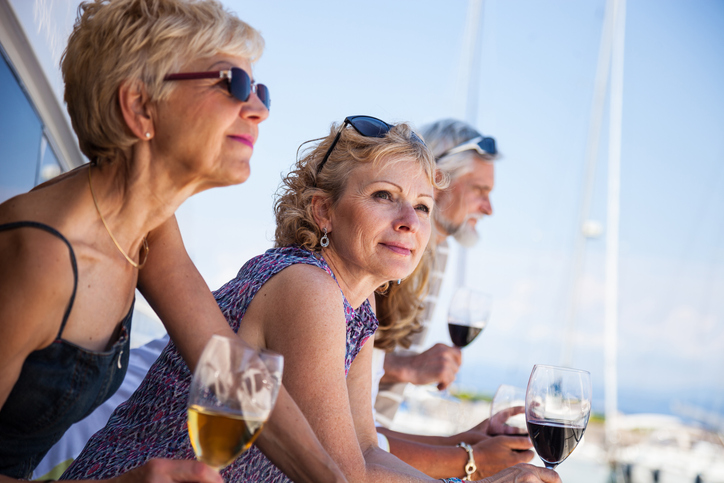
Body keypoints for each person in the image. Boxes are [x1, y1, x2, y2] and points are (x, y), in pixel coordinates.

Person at [62, 116, 561, 483]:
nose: (410, 219)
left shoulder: (357, 309)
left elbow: (366, 451)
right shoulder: (308, 287)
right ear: (324, 211)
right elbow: (344, 472)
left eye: (423, 205)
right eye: (384, 195)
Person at [0, 1, 346, 482]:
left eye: (260, 89)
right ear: (140, 104)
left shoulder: (146, 227)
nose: (260, 110)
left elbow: (229, 369)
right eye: (235, 85)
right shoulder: (43, 257)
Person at [372, 119, 516, 479]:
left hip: (372, 439)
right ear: (438, 181)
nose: (489, 208)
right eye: (480, 189)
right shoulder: (391, 249)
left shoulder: (438, 252)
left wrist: (466, 442)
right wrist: (407, 366)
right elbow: (333, 352)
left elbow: (365, 437)